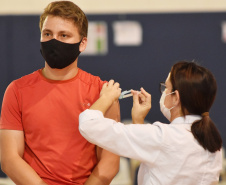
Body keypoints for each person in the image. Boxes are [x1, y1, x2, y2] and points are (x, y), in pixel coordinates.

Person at [0, 1, 120, 185]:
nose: (54, 41)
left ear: (82, 43)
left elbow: (109, 162)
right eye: (47, 34)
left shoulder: (103, 93)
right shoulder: (17, 91)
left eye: (64, 35)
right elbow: (10, 159)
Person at [79, 61, 223, 185]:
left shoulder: (163, 137)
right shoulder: (213, 143)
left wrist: (106, 97)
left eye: (166, 88)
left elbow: (88, 124)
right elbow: (159, 157)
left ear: (176, 97)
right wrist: (138, 120)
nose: (163, 92)